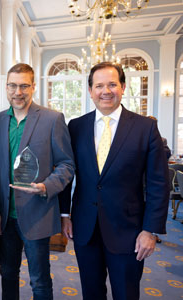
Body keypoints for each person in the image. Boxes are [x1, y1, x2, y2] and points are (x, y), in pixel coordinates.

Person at [59, 62, 169, 300]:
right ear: (90, 91)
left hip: (128, 231)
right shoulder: (76, 126)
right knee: (91, 292)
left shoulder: (146, 128)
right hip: (85, 228)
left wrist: (150, 230)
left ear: (123, 87)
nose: (105, 91)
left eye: (112, 84)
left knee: (126, 293)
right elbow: (67, 173)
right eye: (99, 85)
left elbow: (159, 184)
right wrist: (65, 215)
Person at [0, 63, 75, 300]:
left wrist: (47, 186)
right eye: (13, 86)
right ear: (6, 87)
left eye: (24, 85)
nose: (18, 92)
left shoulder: (52, 119)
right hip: (5, 217)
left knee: (39, 280)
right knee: (7, 273)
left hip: (37, 212)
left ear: (33, 86)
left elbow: (67, 164)